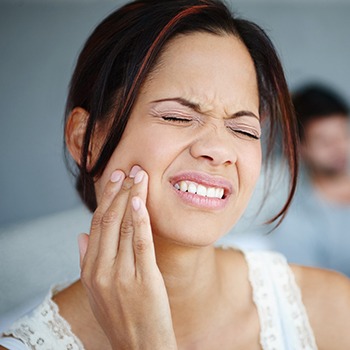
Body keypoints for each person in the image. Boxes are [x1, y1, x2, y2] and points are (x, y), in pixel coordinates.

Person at [1, 1, 350, 349]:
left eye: (243, 129)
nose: (220, 150)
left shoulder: (330, 309)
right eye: (178, 117)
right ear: (87, 139)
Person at [267, 84, 350, 275]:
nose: (338, 147)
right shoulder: (297, 220)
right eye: (324, 141)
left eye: (343, 134)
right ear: (300, 148)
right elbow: (313, 291)